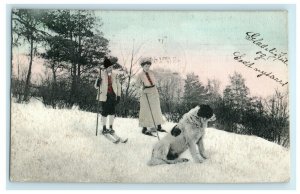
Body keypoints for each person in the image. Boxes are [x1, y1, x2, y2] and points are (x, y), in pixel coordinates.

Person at [135, 57, 166, 136]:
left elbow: (160, 75)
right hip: (146, 93)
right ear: (142, 66)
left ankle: (158, 126)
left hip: (154, 91)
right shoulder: (140, 75)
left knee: (156, 108)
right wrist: (141, 90)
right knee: (145, 110)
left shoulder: (152, 72)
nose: (147, 67)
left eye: (148, 66)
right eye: (146, 66)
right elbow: (137, 85)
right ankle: (144, 128)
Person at [94, 57, 121, 135]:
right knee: (105, 112)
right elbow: (96, 86)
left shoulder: (115, 75)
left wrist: (118, 96)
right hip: (104, 96)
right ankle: (104, 128)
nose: (110, 68)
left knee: (112, 112)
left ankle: (111, 127)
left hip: (112, 96)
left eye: (111, 67)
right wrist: (98, 83)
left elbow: (119, 86)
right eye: (109, 67)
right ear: (106, 67)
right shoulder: (101, 74)